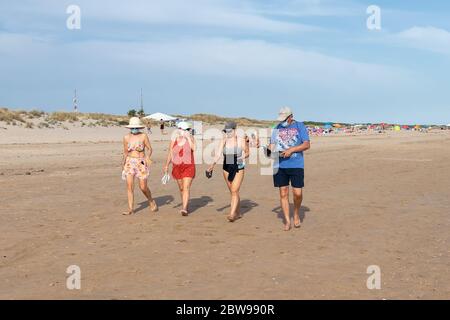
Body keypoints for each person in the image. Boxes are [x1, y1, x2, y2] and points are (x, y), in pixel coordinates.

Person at [269, 107, 310, 231]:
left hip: (296, 164)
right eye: (281, 119)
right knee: (283, 193)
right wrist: (267, 149)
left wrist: (291, 150)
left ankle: (296, 213)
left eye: (284, 119)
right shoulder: (276, 128)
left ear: (291, 116)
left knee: (297, 193)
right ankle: (287, 220)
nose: (282, 122)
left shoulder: (299, 126)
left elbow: (307, 144)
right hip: (280, 165)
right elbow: (272, 146)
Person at [207, 122, 249, 222]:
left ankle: (232, 214)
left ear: (234, 130)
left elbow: (247, 152)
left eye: (229, 131)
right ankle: (238, 212)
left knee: (234, 190)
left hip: (238, 166)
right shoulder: (224, 140)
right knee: (232, 191)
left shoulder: (240, 140)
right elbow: (217, 154)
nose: (227, 133)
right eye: (226, 131)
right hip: (227, 165)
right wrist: (211, 166)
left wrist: (241, 157)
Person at [122, 117, 158, 215]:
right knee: (129, 186)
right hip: (130, 162)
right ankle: (130, 209)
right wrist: (123, 164)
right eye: (132, 128)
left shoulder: (143, 136)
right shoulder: (126, 137)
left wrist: (148, 157)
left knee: (143, 187)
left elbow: (150, 149)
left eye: (136, 127)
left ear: (139, 127)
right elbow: (125, 152)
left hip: (141, 162)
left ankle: (151, 200)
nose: (134, 129)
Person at [164, 121, 196, 216]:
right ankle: (184, 203)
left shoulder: (191, 138)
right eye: (182, 129)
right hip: (176, 166)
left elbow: (194, 148)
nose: (184, 131)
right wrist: (166, 165)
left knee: (186, 187)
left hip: (188, 166)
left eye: (187, 130)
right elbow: (170, 152)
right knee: (181, 188)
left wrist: (188, 138)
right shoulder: (174, 140)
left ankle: (184, 208)